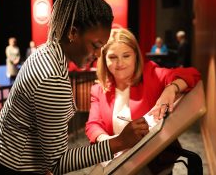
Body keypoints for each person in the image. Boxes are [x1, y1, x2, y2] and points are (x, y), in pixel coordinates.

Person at [0, 0, 149, 175]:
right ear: (73, 33)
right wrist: (119, 142)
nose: (98, 54)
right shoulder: (51, 78)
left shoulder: (46, 51)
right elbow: (58, 163)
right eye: (96, 45)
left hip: (1, 157)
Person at [85, 28, 201, 173]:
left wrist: (171, 89)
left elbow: (192, 73)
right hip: (120, 163)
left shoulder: (151, 74)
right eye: (113, 57)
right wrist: (109, 142)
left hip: (155, 164)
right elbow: (93, 125)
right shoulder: (98, 89)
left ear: (135, 56)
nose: (120, 63)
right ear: (104, 60)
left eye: (126, 56)